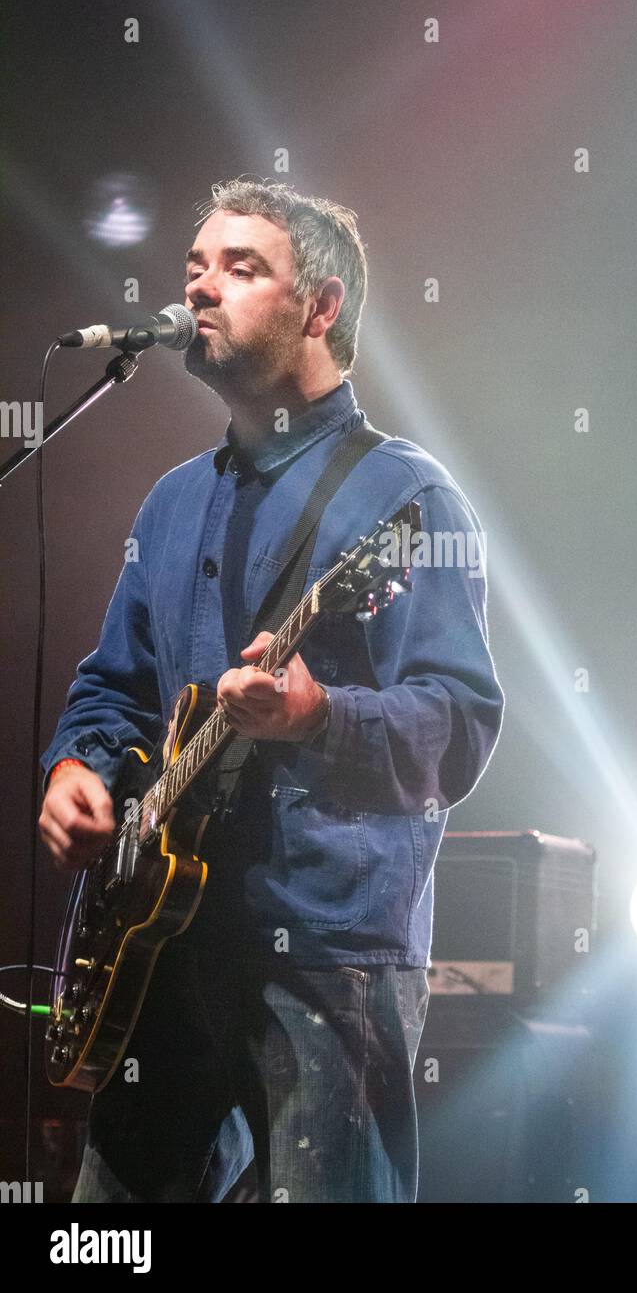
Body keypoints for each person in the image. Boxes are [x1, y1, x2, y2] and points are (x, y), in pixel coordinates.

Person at [38, 177, 505, 1203]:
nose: (199, 289)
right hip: (159, 949)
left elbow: (461, 726)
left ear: (321, 305)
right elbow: (112, 689)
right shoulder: (170, 503)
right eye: (194, 266)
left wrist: (318, 715)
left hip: (327, 948)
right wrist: (78, 762)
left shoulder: (407, 497)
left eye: (240, 268)